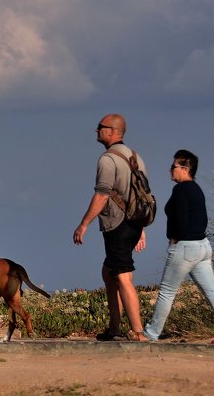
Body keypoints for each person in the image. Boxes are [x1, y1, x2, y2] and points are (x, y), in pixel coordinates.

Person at [143, 150, 214, 344]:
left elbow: (181, 220)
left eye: (174, 166)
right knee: (212, 291)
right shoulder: (196, 189)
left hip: (185, 247)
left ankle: (150, 334)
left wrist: (174, 239)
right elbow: (201, 218)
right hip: (202, 246)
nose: (170, 170)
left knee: (167, 292)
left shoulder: (181, 190)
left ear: (185, 169)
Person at [72, 113, 148, 341]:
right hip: (133, 223)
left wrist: (83, 224)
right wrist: (141, 228)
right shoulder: (136, 157)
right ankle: (114, 326)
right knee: (109, 272)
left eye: (100, 127)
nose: (96, 130)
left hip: (118, 224)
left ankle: (137, 331)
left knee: (123, 276)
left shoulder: (107, 159)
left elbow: (102, 195)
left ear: (112, 131)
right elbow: (141, 195)